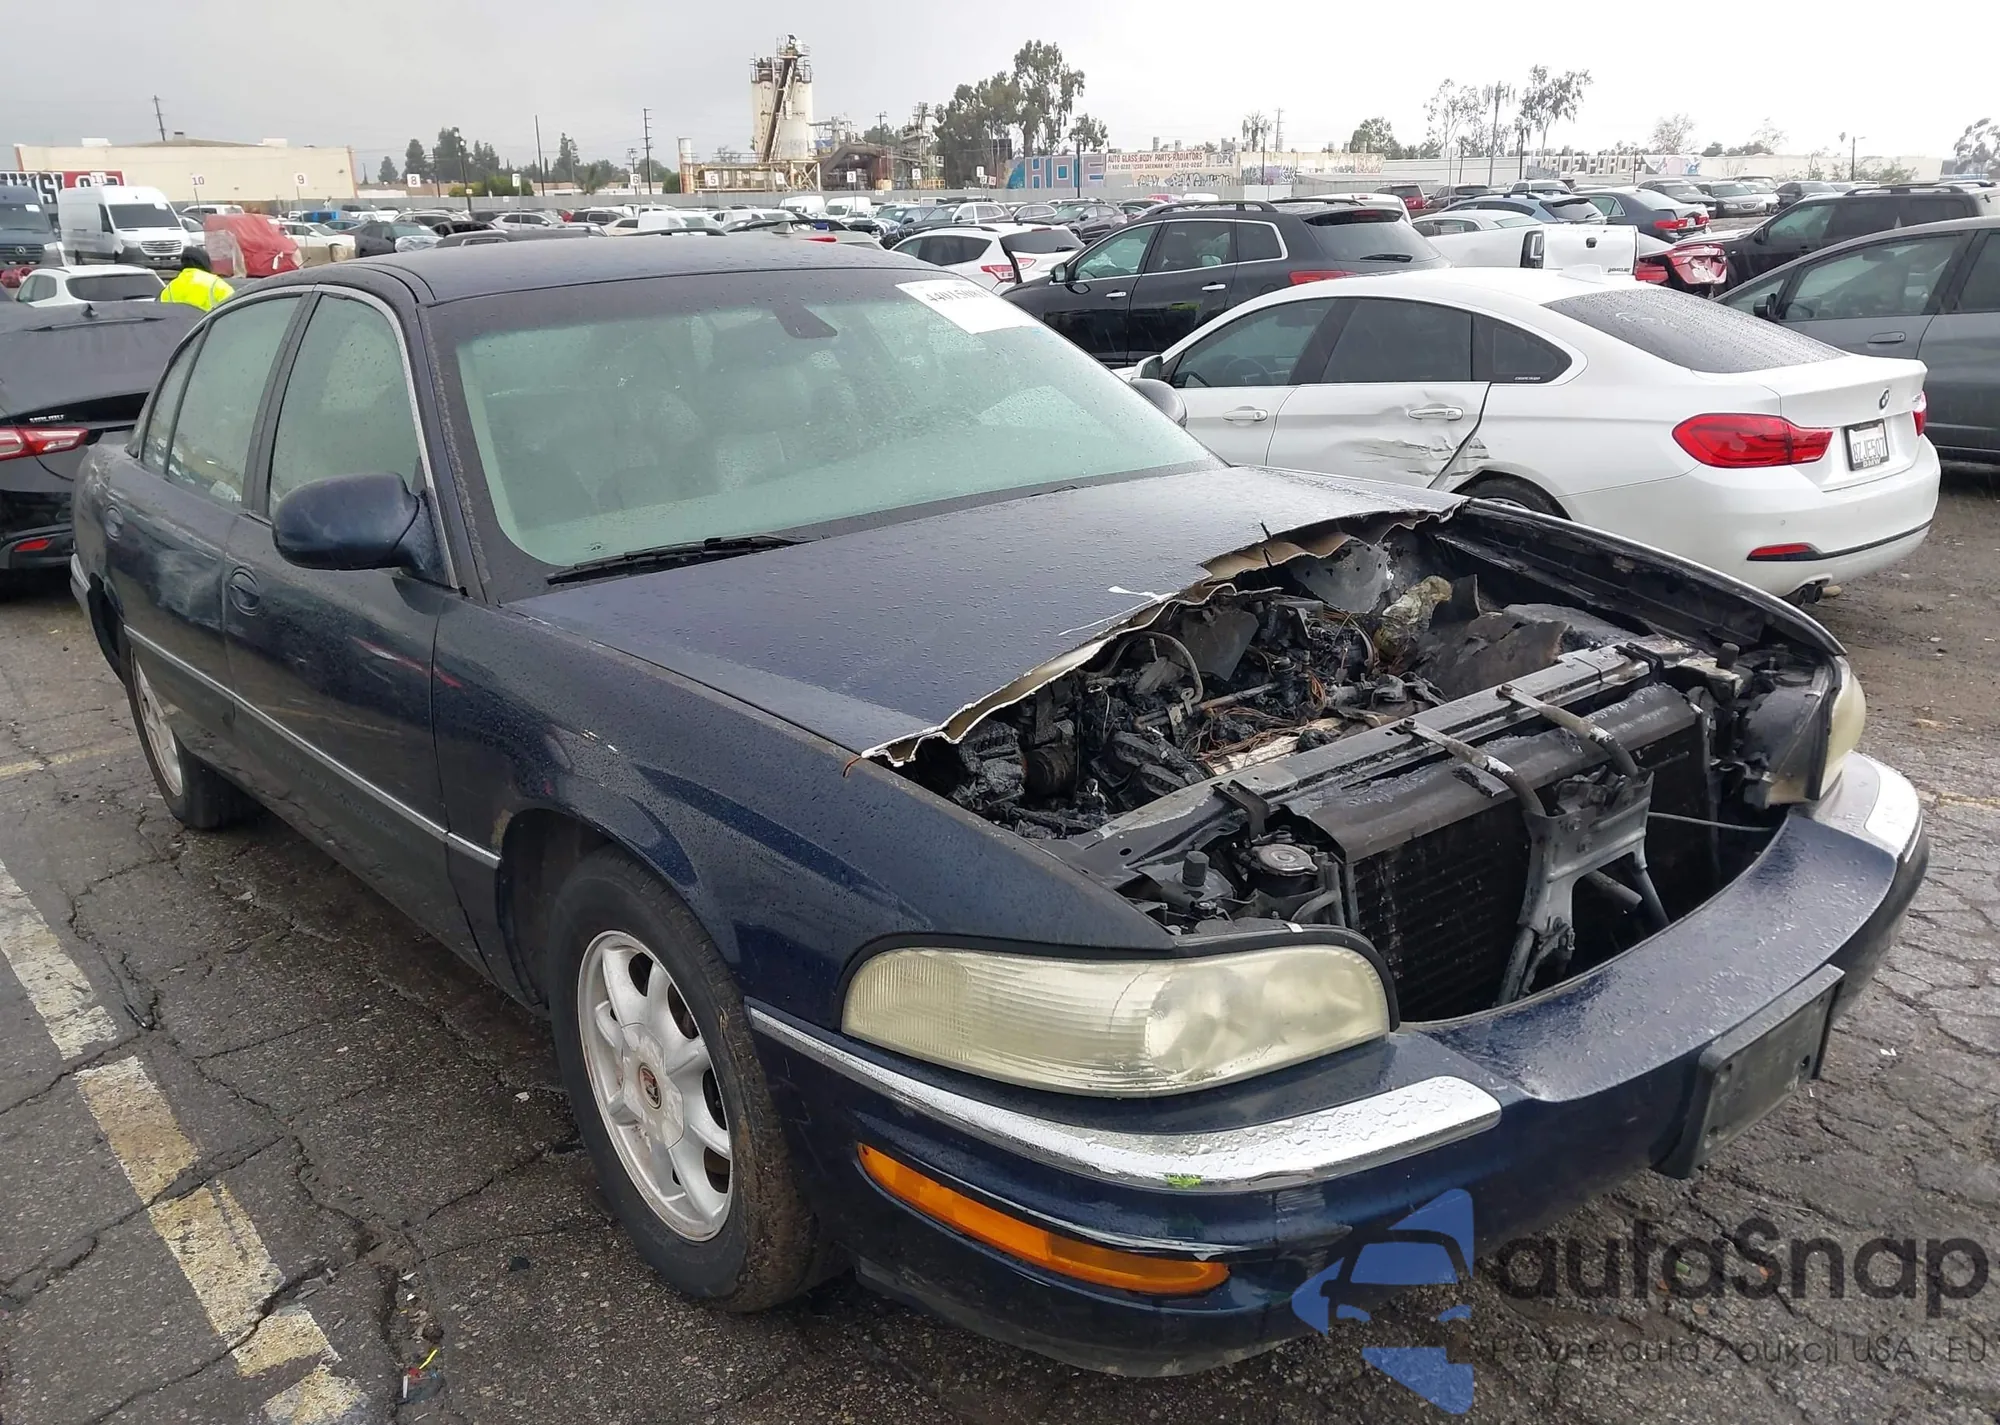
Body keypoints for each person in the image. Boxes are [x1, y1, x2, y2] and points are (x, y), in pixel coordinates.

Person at [157, 247, 232, 311]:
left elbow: (162, 312)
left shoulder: (169, 288)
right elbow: (232, 309)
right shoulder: (217, 285)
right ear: (206, 262)